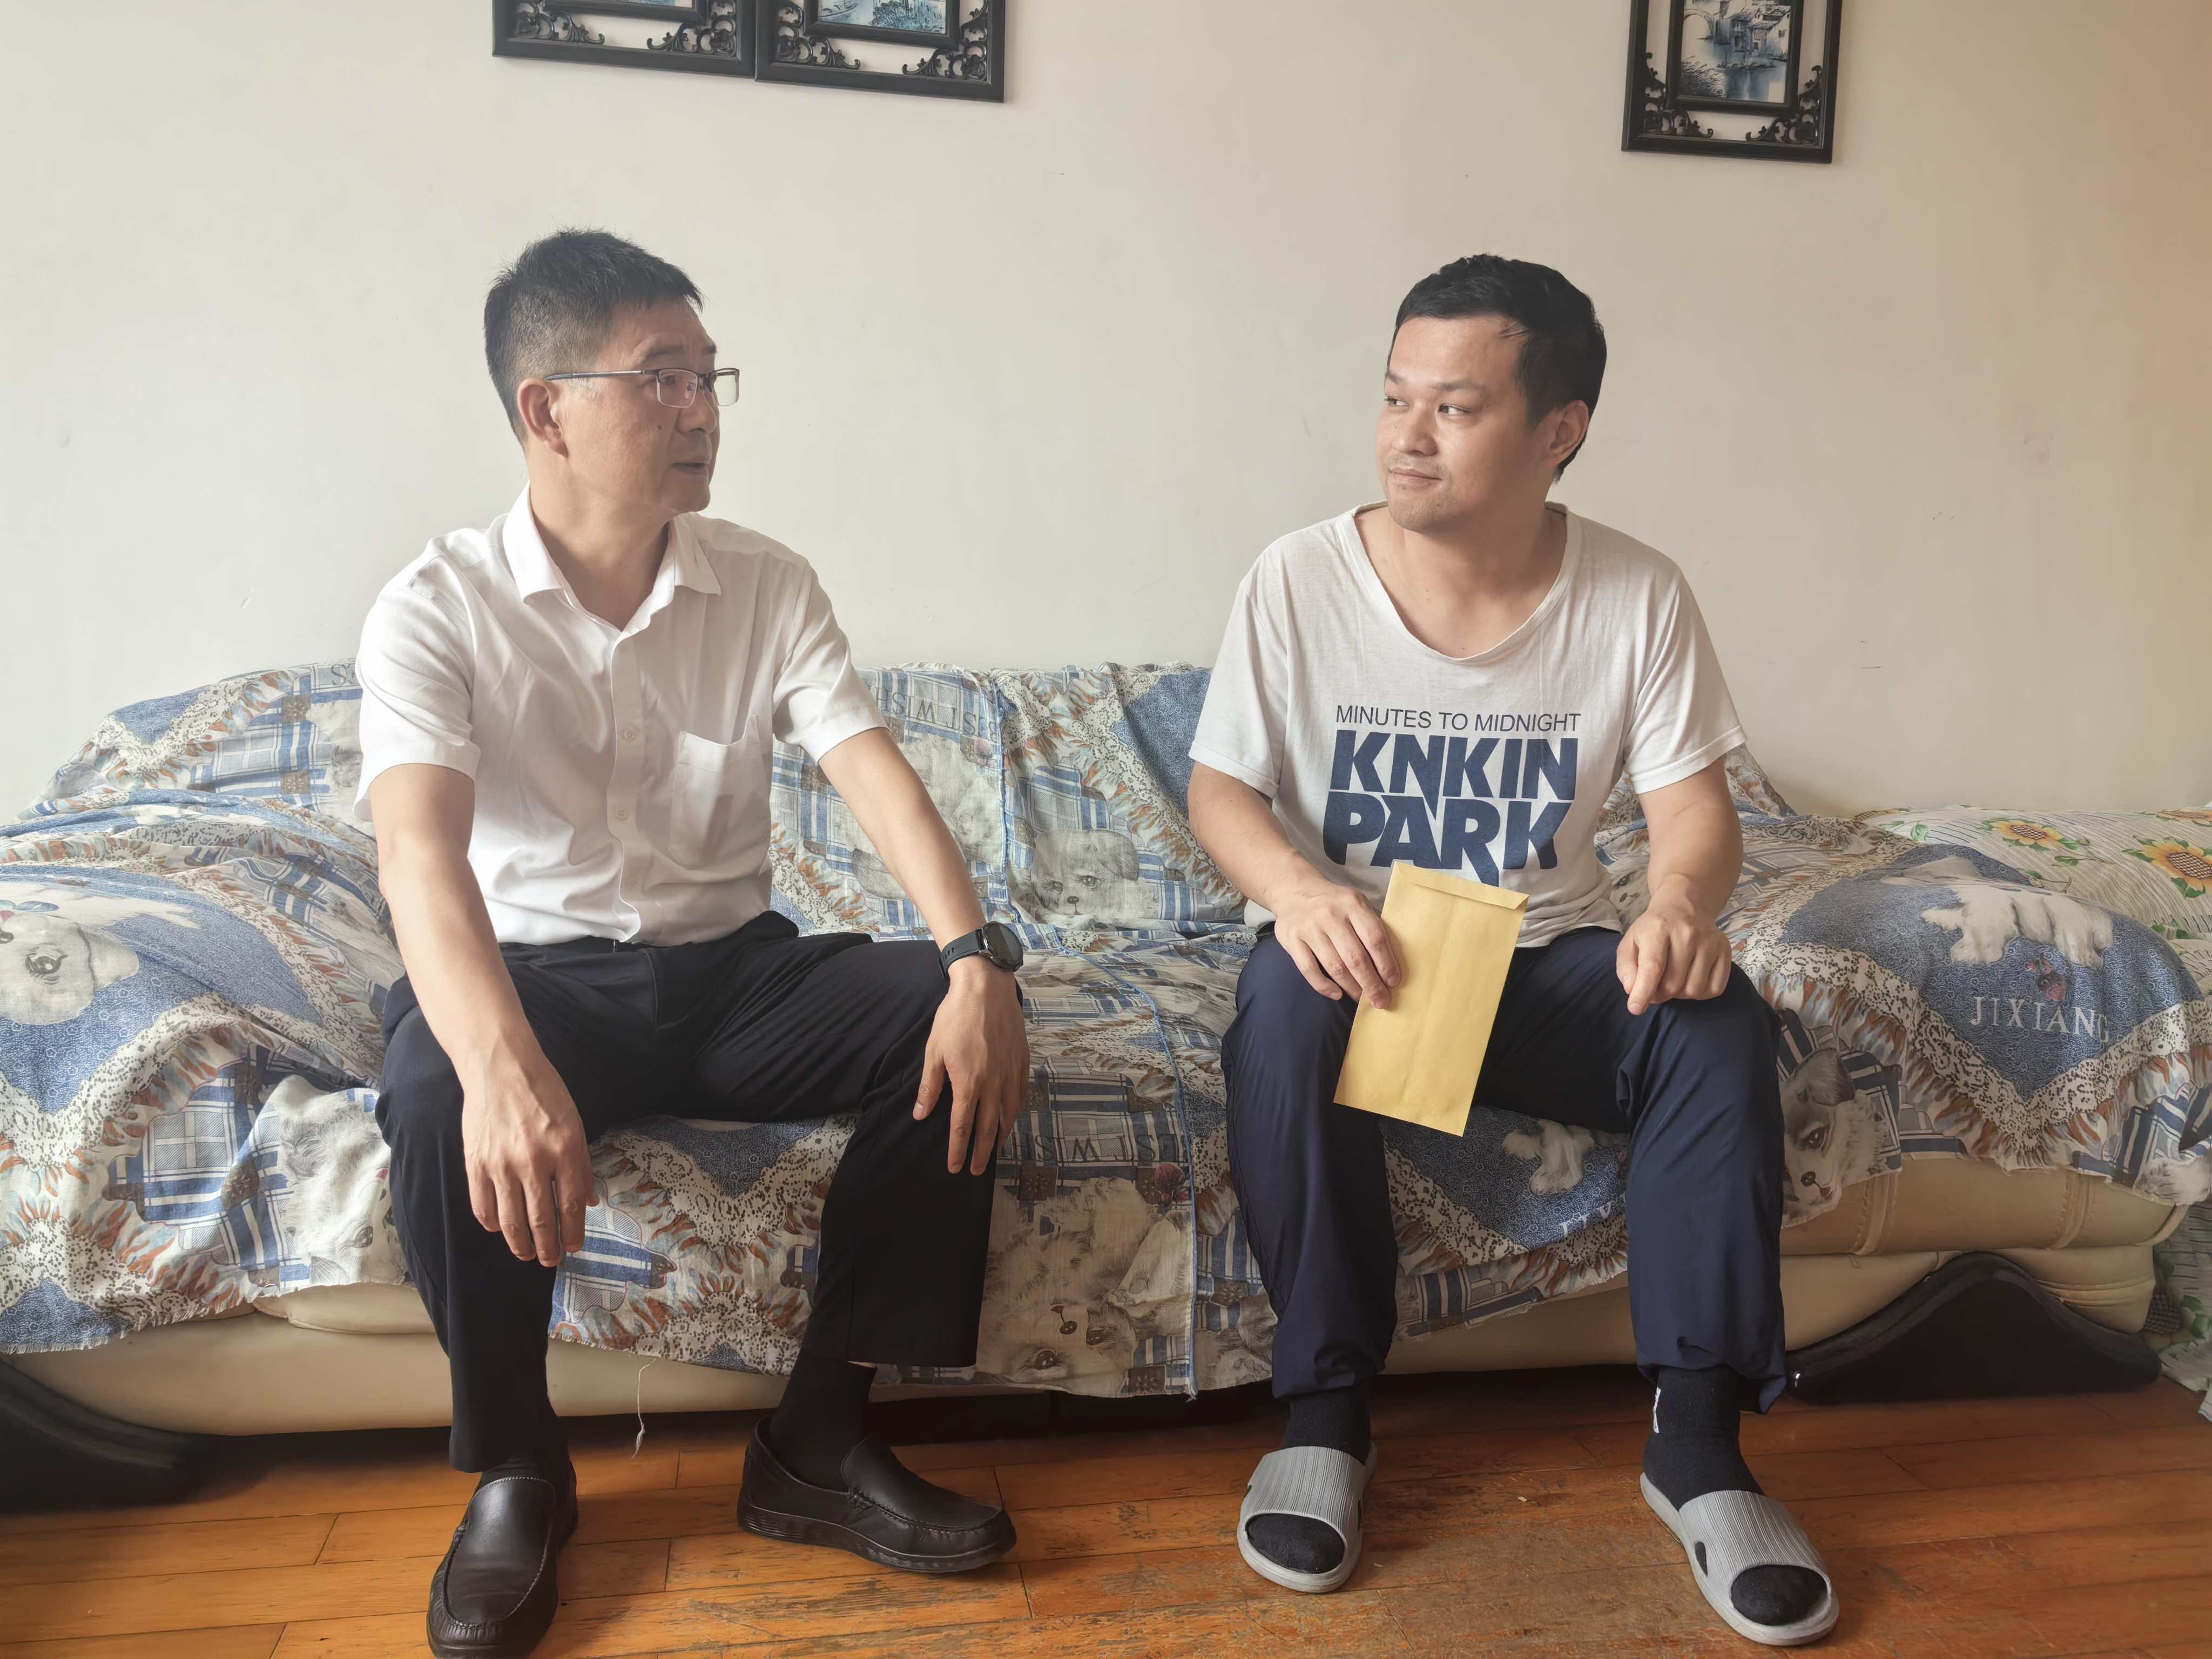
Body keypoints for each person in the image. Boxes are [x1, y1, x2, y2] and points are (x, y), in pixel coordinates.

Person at [358, 230, 1029, 1659]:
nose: (700, 410)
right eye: (660, 377)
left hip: (730, 974)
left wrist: (975, 960)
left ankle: (817, 1439)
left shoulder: (766, 583)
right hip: (541, 982)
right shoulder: (435, 608)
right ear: (546, 408)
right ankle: (518, 1469)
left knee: (945, 1020)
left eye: (709, 377)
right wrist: (500, 1066)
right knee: (431, 1085)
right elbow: (418, 855)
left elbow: (874, 776)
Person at [1186, 255, 1837, 1645]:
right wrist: (1298, 893)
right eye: (1393, 398)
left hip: (1544, 962)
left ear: (1558, 430)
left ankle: (1698, 1449)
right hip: (1364, 964)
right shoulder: (1297, 579)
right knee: (1281, 1007)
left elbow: (1692, 814)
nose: (1404, 436)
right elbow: (1220, 792)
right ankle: (1324, 1422)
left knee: (1714, 1021)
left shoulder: (1635, 593)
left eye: (1454, 407)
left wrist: (1678, 909)